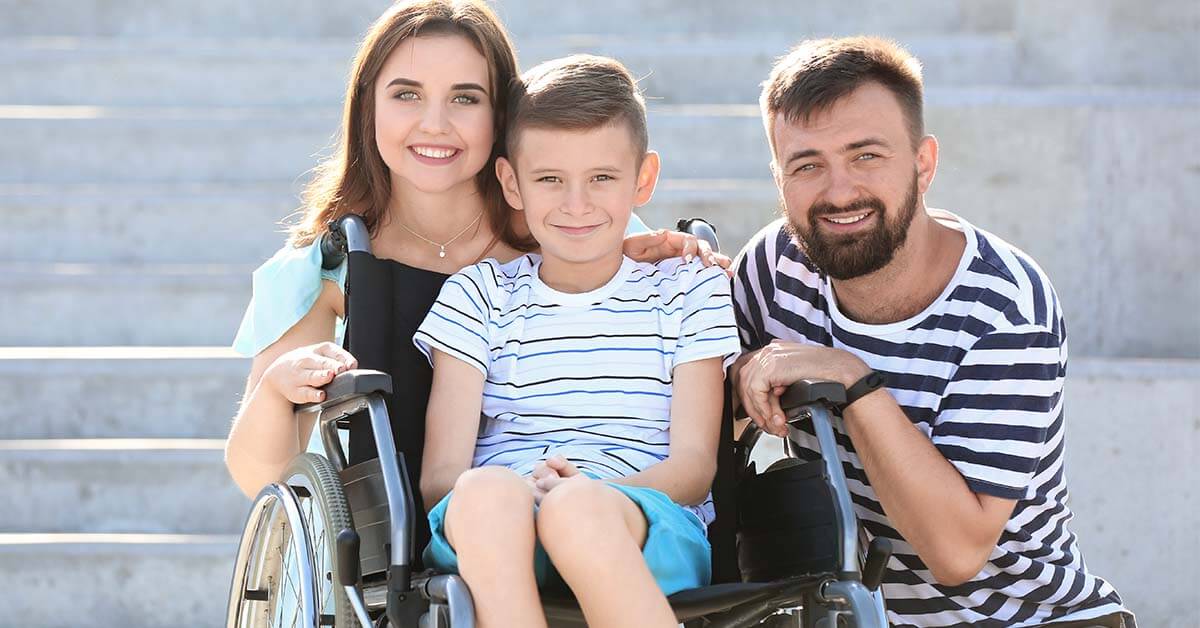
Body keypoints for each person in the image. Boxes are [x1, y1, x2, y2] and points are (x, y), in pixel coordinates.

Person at [223, 0, 724, 500]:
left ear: (500, 115)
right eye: (407, 95)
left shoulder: (566, 220)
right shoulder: (333, 264)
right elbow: (258, 477)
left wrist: (686, 254)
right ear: (368, 104)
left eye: (465, 98)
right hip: (418, 532)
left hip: (588, 498)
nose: (435, 124)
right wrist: (275, 389)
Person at [730, 37, 1133, 627]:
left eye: (866, 156)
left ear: (924, 164)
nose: (839, 191)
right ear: (779, 176)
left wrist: (852, 381)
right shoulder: (775, 268)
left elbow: (956, 553)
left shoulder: (1004, 308)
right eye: (808, 164)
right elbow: (692, 402)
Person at [414, 55, 741, 628]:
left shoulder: (689, 288)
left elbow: (693, 466)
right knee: (488, 493)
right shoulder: (478, 294)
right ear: (511, 183)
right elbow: (442, 476)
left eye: (601, 178)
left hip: (643, 519)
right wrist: (529, 495)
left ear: (643, 179)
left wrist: (581, 492)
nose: (576, 204)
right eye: (549, 180)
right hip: (493, 528)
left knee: (577, 510)